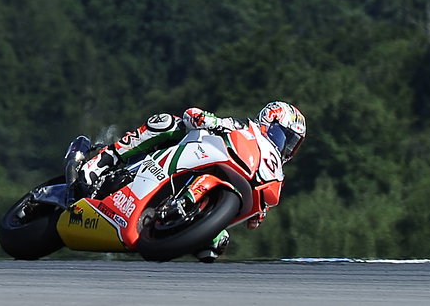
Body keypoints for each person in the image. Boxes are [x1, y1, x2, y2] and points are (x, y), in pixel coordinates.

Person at [67, 101, 306, 261]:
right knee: (167, 123)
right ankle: (102, 161)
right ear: (269, 121)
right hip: (183, 160)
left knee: (216, 247)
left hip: (209, 200)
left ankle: (175, 226)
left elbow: (252, 222)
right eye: (285, 137)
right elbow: (192, 115)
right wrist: (209, 120)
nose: (286, 147)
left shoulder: (270, 169)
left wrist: (258, 212)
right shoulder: (238, 127)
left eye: (292, 144)